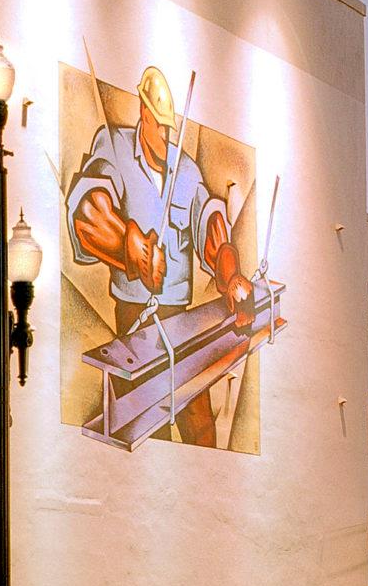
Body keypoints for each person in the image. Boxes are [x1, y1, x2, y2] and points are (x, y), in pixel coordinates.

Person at [65, 65, 254, 444]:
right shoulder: (114, 146)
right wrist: (127, 247)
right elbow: (89, 207)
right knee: (142, 426)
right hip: (136, 321)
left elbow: (209, 221)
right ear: (143, 114)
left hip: (180, 324)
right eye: (159, 125)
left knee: (200, 424)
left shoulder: (185, 169)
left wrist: (231, 274)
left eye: (170, 128)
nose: (165, 136)